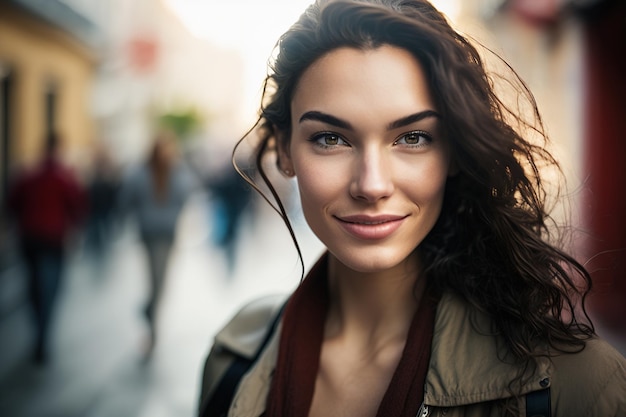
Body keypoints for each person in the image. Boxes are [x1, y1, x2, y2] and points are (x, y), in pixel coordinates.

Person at [198, 1, 626, 416]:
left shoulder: (579, 386)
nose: (372, 185)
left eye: (413, 137)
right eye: (330, 138)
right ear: (284, 149)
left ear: (454, 151)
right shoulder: (235, 355)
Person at [7, 131, 87, 364]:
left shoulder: (27, 174)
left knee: (34, 287)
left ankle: (38, 330)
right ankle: (42, 335)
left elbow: (12, 203)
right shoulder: (65, 177)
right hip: (53, 239)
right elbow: (77, 206)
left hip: (30, 238)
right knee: (50, 290)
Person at [118, 131, 195, 359]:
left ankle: (148, 310)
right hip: (151, 234)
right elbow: (127, 198)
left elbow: (187, 192)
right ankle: (153, 331)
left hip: (167, 234)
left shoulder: (176, 171)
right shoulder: (141, 173)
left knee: (161, 283)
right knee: (156, 282)